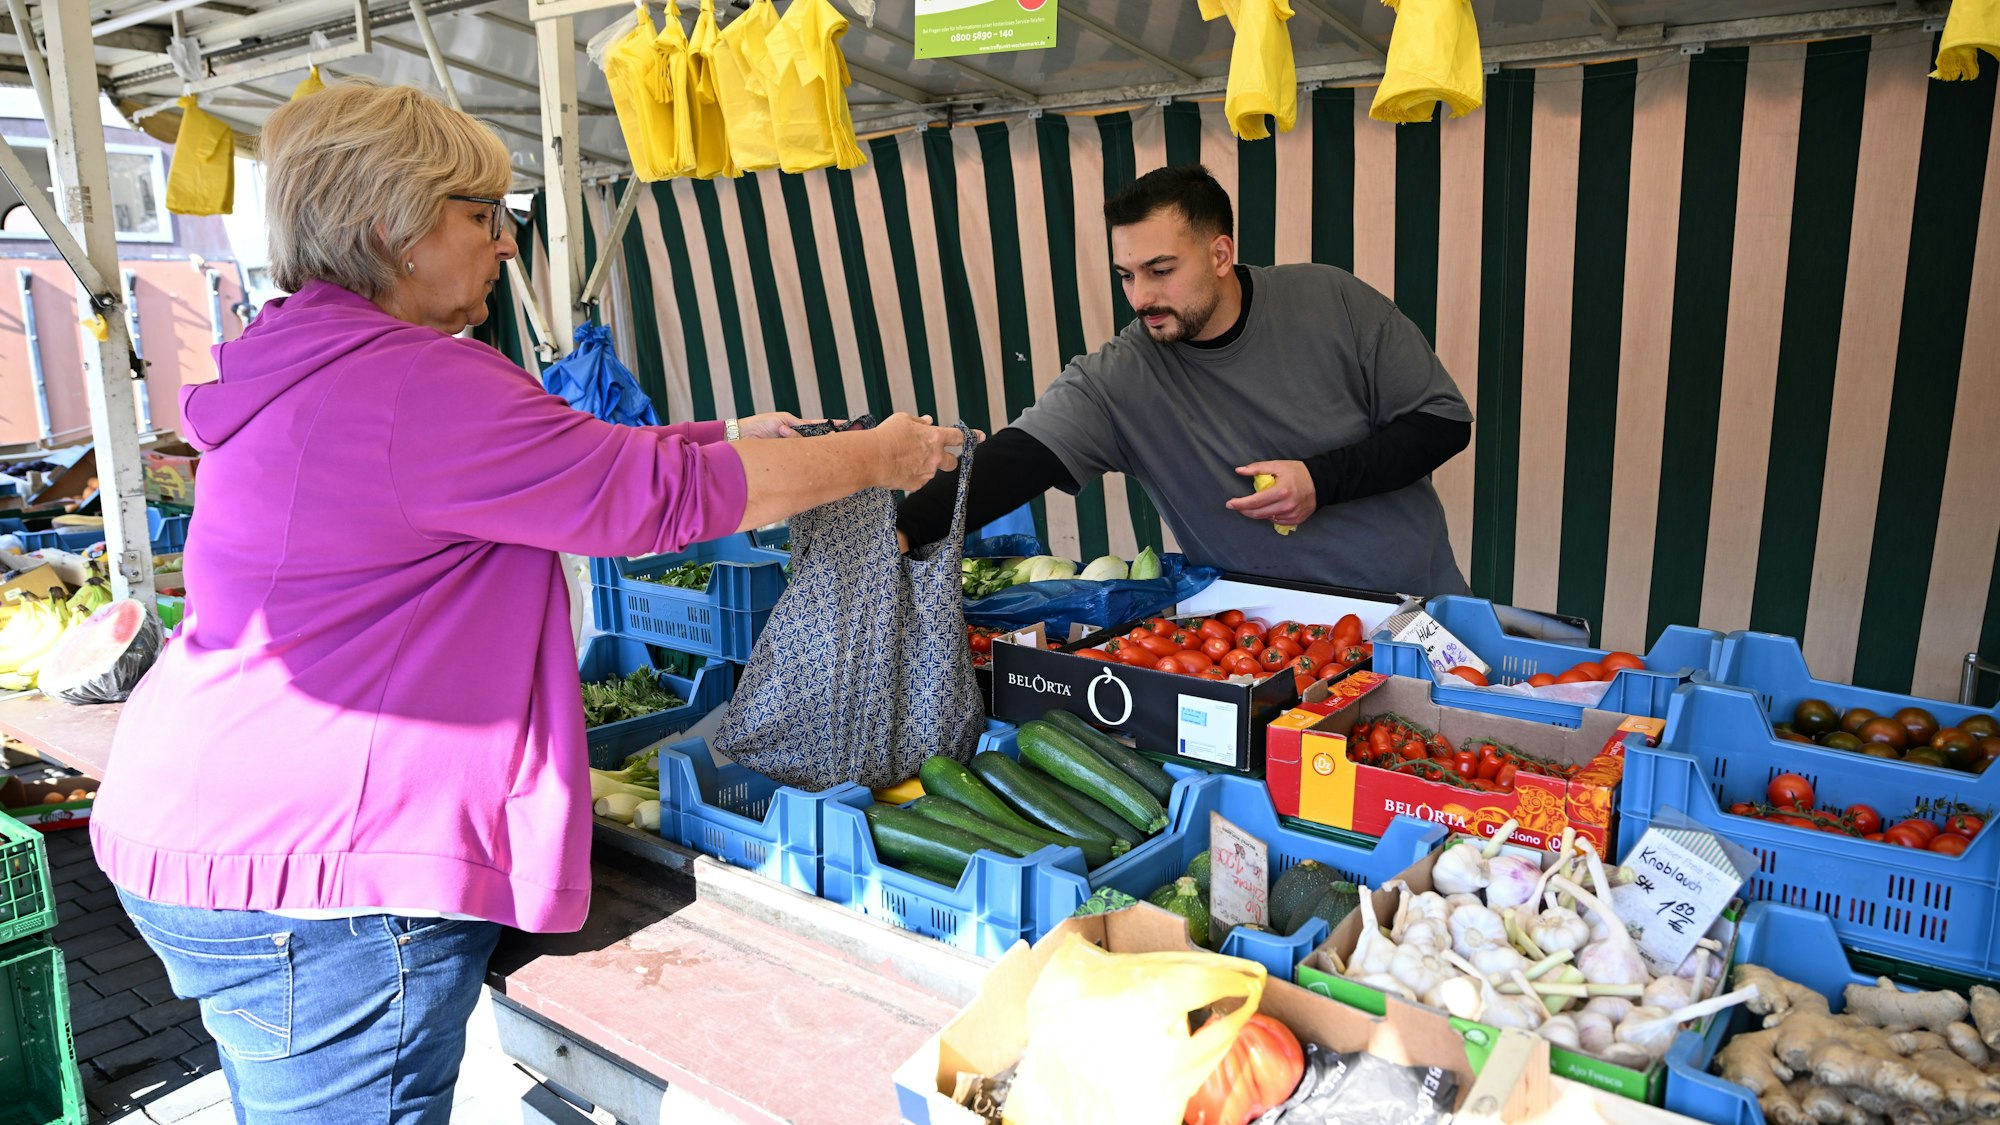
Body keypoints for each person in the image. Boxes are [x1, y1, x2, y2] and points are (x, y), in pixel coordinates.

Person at [87, 79, 964, 1124]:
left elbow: (542, 467)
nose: (507, 245)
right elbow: (644, 503)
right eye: (480, 214)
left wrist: (716, 439)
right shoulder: (422, 382)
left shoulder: (308, 362)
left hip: (202, 821)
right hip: (325, 875)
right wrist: (879, 456)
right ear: (391, 228)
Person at [897, 164, 1473, 596]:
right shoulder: (1121, 376)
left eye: (1161, 271)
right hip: (1262, 643)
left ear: (1220, 254)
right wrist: (900, 531)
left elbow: (1442, 423)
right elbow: (1016, 459)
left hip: (1416, 610)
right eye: (1126, 275)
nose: (1141, 297)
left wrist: (1321, 480)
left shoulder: (1331, 299)